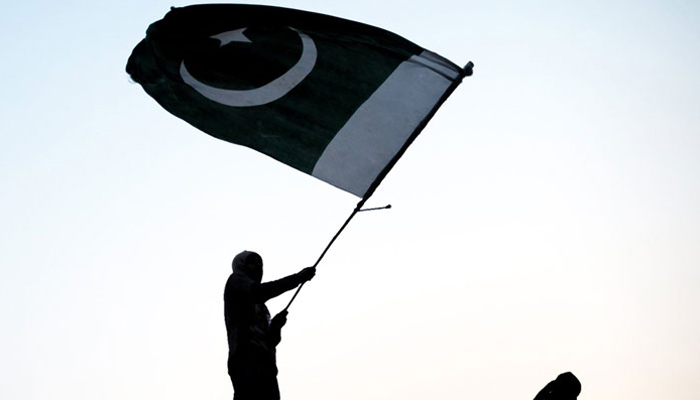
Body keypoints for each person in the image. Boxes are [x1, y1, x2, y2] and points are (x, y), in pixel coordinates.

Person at [224, 250, 315, 400]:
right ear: (241, 266)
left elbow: (270, 341)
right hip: (245, 359)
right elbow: (259, 292)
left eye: (260, 263)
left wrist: (276, 326)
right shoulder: (236, 281)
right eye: (252, 262)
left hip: (265, 364)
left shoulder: (261, 308)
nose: (258, 266)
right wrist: (297, 278)